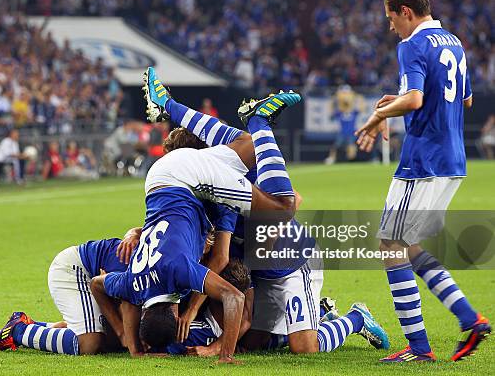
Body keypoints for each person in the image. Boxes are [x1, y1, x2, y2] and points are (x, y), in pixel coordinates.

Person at [147, 88, 389, 355]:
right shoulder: (190, 197)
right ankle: (318, 314)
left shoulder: (226, 185)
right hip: (259, 271)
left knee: (305, 348)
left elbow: (293, 200)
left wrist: (193, 310)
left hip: (294, 263)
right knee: (251, 343)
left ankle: (356, 318)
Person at [90, 67, 303, 364]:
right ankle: (168, 104)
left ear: (174, 311)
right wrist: (132, 344)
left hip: (184, 179)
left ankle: (257, 118)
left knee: (283, 208)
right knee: (248, 145)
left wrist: (224, 354)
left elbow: (230, 288)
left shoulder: (175, 271)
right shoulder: (132, 285)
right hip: (160, 177)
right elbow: (98, 284)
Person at [354, 0, 490, 363]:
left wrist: (380, 113)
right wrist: (393, 101)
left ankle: (419, 347)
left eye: (391, 18)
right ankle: (469, 319)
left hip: (422, 162)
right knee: (410, 246)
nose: (390, 26)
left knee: (390, 245)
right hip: (453, 160)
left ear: (406, 12)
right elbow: (464, 99)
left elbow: (415, 99)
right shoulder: (454, 43)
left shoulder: (411, 45)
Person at [0, 236, 130, 355]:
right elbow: (110, 294)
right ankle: (18, 329)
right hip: (73, 270)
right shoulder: (141, 262)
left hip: (94, 280)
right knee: (90, 343)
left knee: (112, 340)